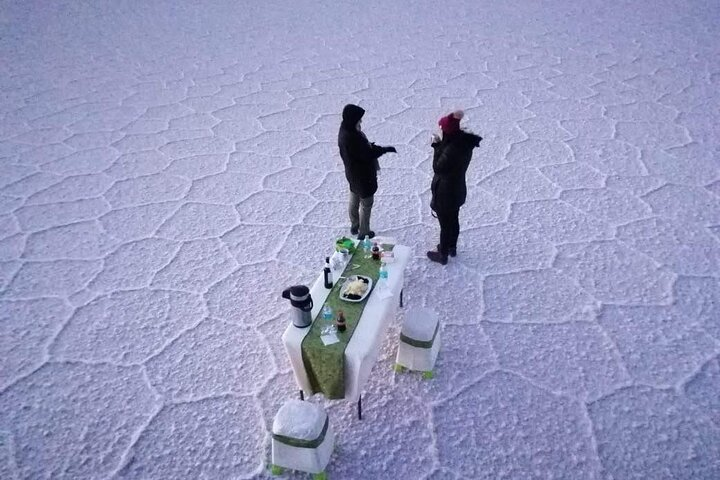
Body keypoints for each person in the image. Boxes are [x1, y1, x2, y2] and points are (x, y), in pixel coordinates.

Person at [427, 110, 482, 265]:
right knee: (453, 219)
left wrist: (436, 147)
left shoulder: (451, 149)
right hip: (457, 190)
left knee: (445, 225)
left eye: (442, 128)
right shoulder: (463, 143)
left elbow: (438, 168)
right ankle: (452, 247)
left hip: (446, 193)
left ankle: (442, 254)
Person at [338, 104, 397, 239]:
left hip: (352, 174)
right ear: (353, 120)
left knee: (354, 197)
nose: (361, 121)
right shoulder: (353, 137)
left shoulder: (345, 130)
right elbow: (367, 154)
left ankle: (354, 225)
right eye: (359, 119)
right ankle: (364, 232)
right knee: (366, 204)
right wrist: (384, 149)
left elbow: (363, 150)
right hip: (363, 177)